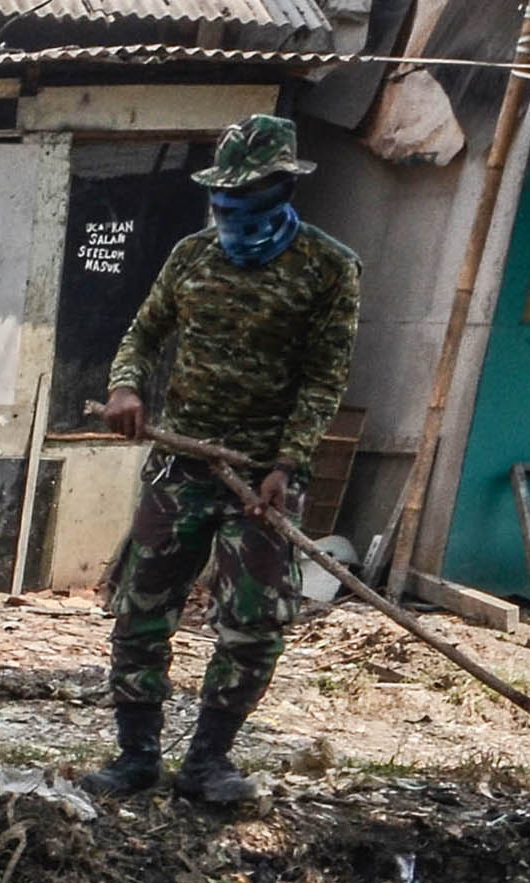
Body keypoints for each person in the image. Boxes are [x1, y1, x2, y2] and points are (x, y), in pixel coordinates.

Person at [87, 114, 361, 810]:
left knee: (251, 625)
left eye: (248, 199)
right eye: (222, 200)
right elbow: (143, 333)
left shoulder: (328, 269)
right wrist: (125, 387)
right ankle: (135, 757)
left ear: (281, 189)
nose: (233, 214)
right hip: (180, 466)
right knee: (140, 610)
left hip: (261, 478)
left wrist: (287, 462)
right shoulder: (191, 256)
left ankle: (207, 762)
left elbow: (324, 378)